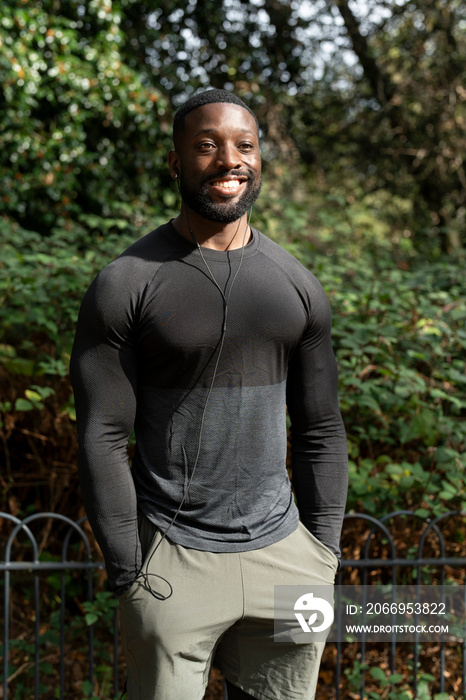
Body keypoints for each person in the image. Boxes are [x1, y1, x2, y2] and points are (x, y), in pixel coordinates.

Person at [70, 88, 348, 700]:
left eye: (244, 146)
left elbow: (321, 428)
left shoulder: (296, 286)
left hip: (287, 559)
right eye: (206, 146)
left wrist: (322, 555)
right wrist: (129, 570)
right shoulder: (126, 284)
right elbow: (102, 434)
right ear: (175, 163)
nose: (230, 160)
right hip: (171, 560)